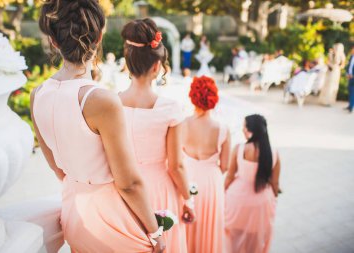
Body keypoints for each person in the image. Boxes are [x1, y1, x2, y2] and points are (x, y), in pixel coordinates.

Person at [32, 1, 165, 252]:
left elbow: (57, 169)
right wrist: (155, 231)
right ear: (100, 37)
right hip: (112, 221)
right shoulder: (100, 100)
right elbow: (129, 183)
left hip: (74, 213)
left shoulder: (37, 95)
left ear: (54, 41)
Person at [119, 18, 195, 253]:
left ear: (128, 62)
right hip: (160, 191)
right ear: (156, 67)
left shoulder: (111, 104)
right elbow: (176, 166)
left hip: (122, 191)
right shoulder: (170, 108)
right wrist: (188, 198)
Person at [182, 76, 231, 253]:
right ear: (214, 98)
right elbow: (225, 165)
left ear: (193, 96)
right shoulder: (223, 128)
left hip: (187, 179)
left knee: (186, 225)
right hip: (211, 182)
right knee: (209, 225)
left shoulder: (182, 124)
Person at [224, 114, 281, 253]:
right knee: (255, 241)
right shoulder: (273, 153)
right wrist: (272, 200)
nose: (242, 129)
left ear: (250, 130)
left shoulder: (239, 149)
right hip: (261, 204)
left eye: (244, 126)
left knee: (233, 237)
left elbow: (230, 176)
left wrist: (223, 191)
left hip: (238, 201)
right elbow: (275, 184)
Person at [345, 45, 354, 113]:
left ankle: (351, 107)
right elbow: (349, 66)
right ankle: (349, 105)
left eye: (352, 49)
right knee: (350, 91)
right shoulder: (351, 57)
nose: (351, 50)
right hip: (350, 77)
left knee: (353, 92)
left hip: (353, 77)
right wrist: (347, 74)